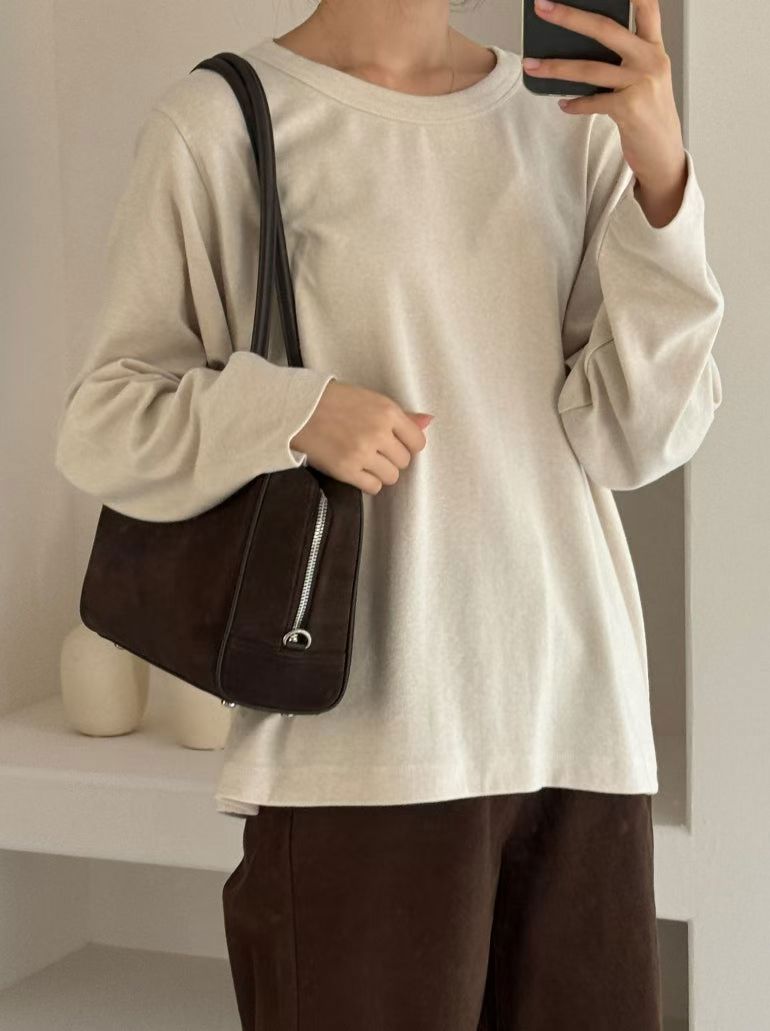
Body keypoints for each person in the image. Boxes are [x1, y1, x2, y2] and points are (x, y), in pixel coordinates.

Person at [54, 0, 724, 1027]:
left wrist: (662, 174)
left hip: (576, 726)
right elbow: (104, 422)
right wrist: (293, 412)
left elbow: (634, 438)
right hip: (359, 753)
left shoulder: (570, 127)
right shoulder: (222, 121)